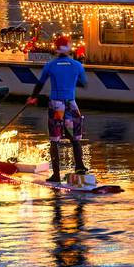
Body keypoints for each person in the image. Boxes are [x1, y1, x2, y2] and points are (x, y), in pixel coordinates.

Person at [27, 35, 89, 184]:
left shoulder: (50, 65)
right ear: (69, 48)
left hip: (56, 105)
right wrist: (71, 81)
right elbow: (83, 83)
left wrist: (33, 97)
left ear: (56, 49)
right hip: (71, 104)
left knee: (55, 140)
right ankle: (80, 167)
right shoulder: (77, 65)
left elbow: (40, 84)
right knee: (75, 139)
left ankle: (56, 175)